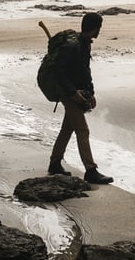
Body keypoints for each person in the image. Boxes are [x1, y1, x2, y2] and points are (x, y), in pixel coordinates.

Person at [47, 12, 114, 184]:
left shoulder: (85, 44)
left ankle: (55, 162)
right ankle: (90, 170)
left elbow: (85, 71)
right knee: (82, 130)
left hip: (78, 92)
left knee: (67, 129)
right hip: (68, 94)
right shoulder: (72, 46)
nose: (100, 30)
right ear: (94, 27)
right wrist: (72, 93)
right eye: (99, 27)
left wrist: (91, 92)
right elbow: (58, 72)